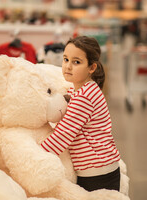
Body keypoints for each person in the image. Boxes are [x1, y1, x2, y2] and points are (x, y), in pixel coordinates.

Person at [41, 36, 121, 192]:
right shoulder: (78, 91)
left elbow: (62, 136)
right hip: (98, 169)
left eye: (76, 62)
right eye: (65, 59)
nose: (68, 66)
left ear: (92, 68)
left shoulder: (84, 97)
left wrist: (33, 153)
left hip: (98, 172)